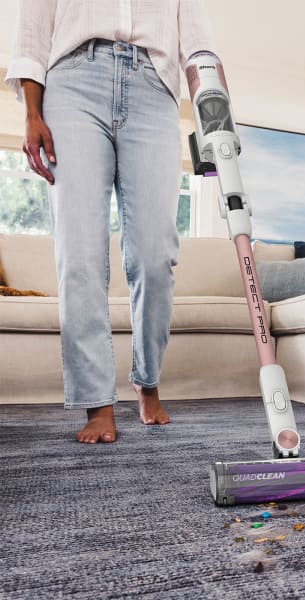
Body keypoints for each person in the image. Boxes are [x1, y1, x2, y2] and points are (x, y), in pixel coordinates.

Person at [5, 1, 215, 443]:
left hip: (153, 88)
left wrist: (217, 116)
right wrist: (31, 112)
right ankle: (97, 402)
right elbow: (32, 30)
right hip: (73, 81)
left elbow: (198, 46)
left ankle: (147, 379)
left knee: (155, 253)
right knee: (79, 253)